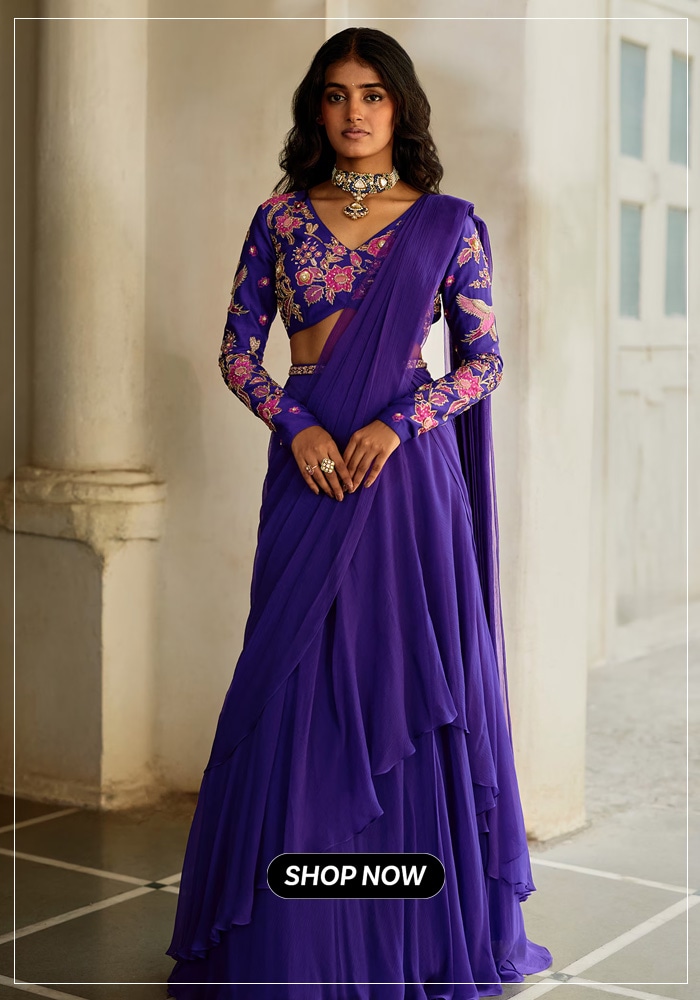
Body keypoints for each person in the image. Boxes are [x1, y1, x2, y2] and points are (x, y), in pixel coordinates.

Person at [165, 26, 553, 1000]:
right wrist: (296, 426)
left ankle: (409, 940)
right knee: (289, 687)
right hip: (308, 475)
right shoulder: (281, 219)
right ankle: (288, 946)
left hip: (404, 482)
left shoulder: (447, 224)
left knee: (402, 689)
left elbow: (484, 360)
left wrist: (400, 421)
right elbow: (236, 352)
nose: (352, 111)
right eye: (335, 94)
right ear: (316, 107)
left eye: (371, 94)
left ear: (400, 107)